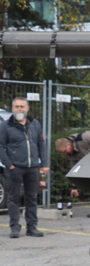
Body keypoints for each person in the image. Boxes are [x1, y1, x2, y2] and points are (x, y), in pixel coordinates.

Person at [1, 96, 50, 238]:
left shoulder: (35, 124)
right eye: (17, 106)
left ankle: (32, 227)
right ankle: (15, 228)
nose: (19, 109)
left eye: (22, 106)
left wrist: (45, 164)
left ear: (27, 108)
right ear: (12, 108)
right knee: (13, 198)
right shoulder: (5, 126)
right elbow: (0, 146)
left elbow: (41, 144)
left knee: (32, 198)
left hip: (33, 167)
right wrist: (9, 165)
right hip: (14, 168)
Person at [55, 131, 90, 218]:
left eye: (65, 151)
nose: (65, 154)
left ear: (68, 145)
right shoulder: (71, 154)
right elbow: (75, 170)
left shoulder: (84, 137)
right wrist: (74, 187)